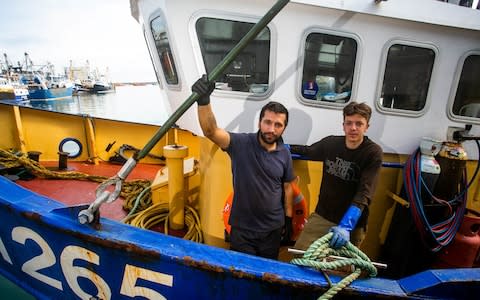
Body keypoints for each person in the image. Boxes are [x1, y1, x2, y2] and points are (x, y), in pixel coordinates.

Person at [192, 75, 296, 259]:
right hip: (243, 230)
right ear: (260, 122)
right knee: (241, 272)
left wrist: (288, 220)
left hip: (273, 230)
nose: (271, 129)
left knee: (266, 278)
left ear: (284, 128)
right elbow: (211, 131)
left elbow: (287, 187)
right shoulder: (240, 143)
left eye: (278, 125)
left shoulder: (284, 153)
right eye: (268, 122)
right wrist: (203, 101)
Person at [290, 101, 383, 250]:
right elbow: (308, 151)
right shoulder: (331, 144)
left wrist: (346, 225)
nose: (353, 128)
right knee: (299, 253)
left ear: (367, 127)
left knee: (339, 269)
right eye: (349, 123)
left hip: (352, 224)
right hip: (322, 216)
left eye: (359, 124)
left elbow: (364, 193)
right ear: (343, 125)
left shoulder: (373, 153)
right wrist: (281, 147)